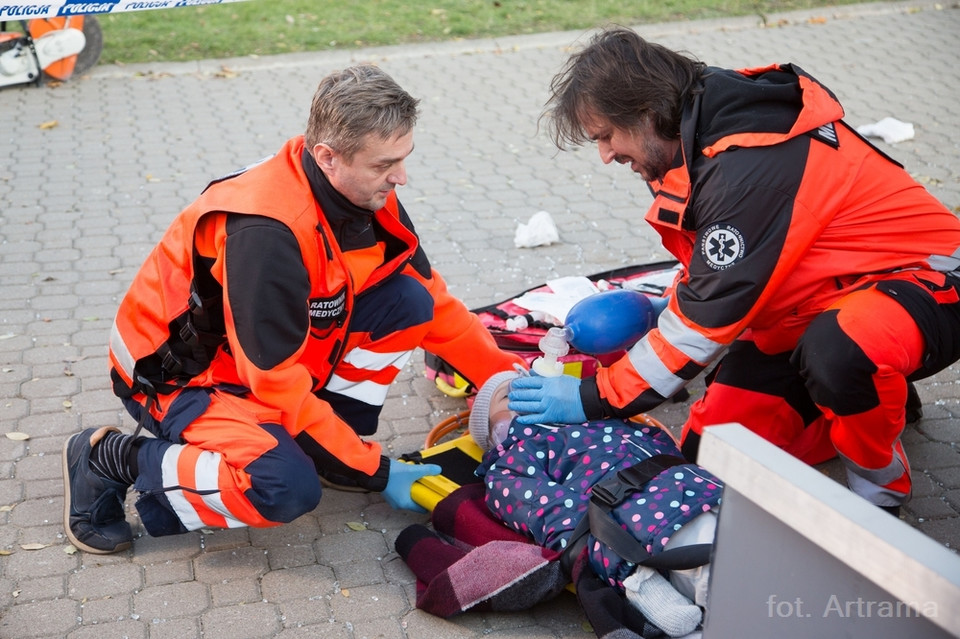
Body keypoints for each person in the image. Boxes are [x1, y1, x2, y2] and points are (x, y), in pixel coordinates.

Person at [61, 64, 524, 555]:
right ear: (327, 156)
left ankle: (331, 453)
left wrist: (514, 382)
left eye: (404, 158)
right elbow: (275, 382)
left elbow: (435, 305)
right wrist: (375, 468)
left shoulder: (360, 188)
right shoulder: (267, 234)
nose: (401, 178)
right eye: (385, 164)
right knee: (283, 487)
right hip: (182, 381)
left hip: (257, 358)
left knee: (408, 303)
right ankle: (110, 459)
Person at [508, 27, 960, 515]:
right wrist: (670, 304)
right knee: (714, 455)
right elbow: (726, 264)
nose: (606, 154)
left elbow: (704, 322)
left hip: (924, 282)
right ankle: (865, 405)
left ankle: (880, 491)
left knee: (840, 349)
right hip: (811, 304)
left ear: (642, 113)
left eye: (606, 136)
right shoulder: (695, 139)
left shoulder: (752, 162)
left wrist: (594, 396)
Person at [470, 370, 722, 637]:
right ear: (494, 433)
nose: (529, 392)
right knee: (739, 588)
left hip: (707, 490)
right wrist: (633, 574)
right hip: (657, 522)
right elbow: (565, 520)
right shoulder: (512, 461)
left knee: (760, 569)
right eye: (510, 395)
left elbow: (663, 447)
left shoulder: (595, 415)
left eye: (533, 384)